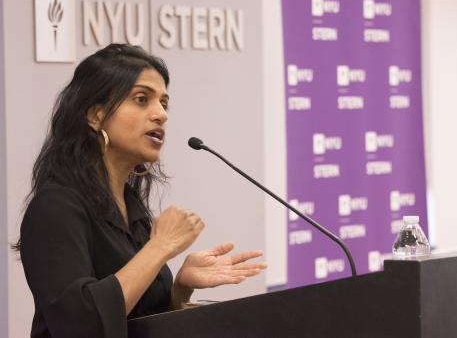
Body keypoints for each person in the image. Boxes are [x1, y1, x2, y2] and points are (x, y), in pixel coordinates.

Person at [13, 44, 267, 338]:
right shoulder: (56, 207)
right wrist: (160, 247)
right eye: (142, 99)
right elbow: (81, 326)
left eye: (164, 103)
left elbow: (138, 319)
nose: (161, 114)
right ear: (95, 116)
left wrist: (181, 287)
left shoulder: (131, 207)